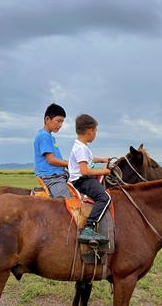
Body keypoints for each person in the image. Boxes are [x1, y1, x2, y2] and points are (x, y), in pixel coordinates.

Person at [68, 114, 111, 247]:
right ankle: (89, 228)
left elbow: (90, 160)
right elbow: (85, 170)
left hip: (83, 178)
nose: (95, 134)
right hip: (82, 180)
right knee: (105, 198)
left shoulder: (81, 145)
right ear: (90, 130)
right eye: (96, 131)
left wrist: (103, 160)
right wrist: (104, 171)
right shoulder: (81, 148)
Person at [34, 103, 71, 198]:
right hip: (52, 178)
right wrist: (68, 164)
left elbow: (55, 158)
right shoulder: (44, 136)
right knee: (68, 204)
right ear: (47, 119)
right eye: (58, 121)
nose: (60, 125)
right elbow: (51, 160)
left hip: (58, 175)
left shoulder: (50, 137)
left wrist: (67, 162)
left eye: (62, 122)